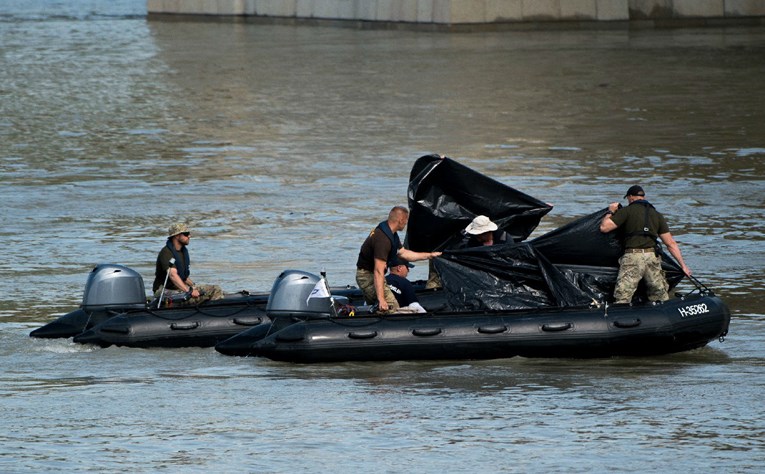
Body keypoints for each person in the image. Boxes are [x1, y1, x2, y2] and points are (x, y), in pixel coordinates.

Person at [600, 185, 692, 304]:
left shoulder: (626, 211)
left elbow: (604, 227)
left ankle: (622, 317)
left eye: (628, 198)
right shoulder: (657, 215)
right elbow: (671, 243)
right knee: (659, 295)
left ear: (631, 197)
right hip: (651, 258)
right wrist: (683, 265)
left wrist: (610, 211)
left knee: (623, 296)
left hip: (632, 258)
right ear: (643, 197)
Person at [356, 206, 441, 312]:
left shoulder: (391, 233)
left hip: (371, 274)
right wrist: (382, 299)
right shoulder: (383, 239)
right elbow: (378, 271)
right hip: (367, 276)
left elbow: (404, 253)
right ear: (401, 220)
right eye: (406, 220)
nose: (406, 224)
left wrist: (429, 255)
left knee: (382, 306)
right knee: (392, 306)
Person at [152, 223, 224, 307]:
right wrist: (188, 291)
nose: (189, 236)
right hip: (165, 291)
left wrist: (193, 286)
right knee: (201, 296)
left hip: (178, 288)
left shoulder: (182, 252)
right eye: (186, 234)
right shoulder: (166, 253)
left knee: (215, 289)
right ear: (176, 236)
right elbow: (172, 275)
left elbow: (183, 277)